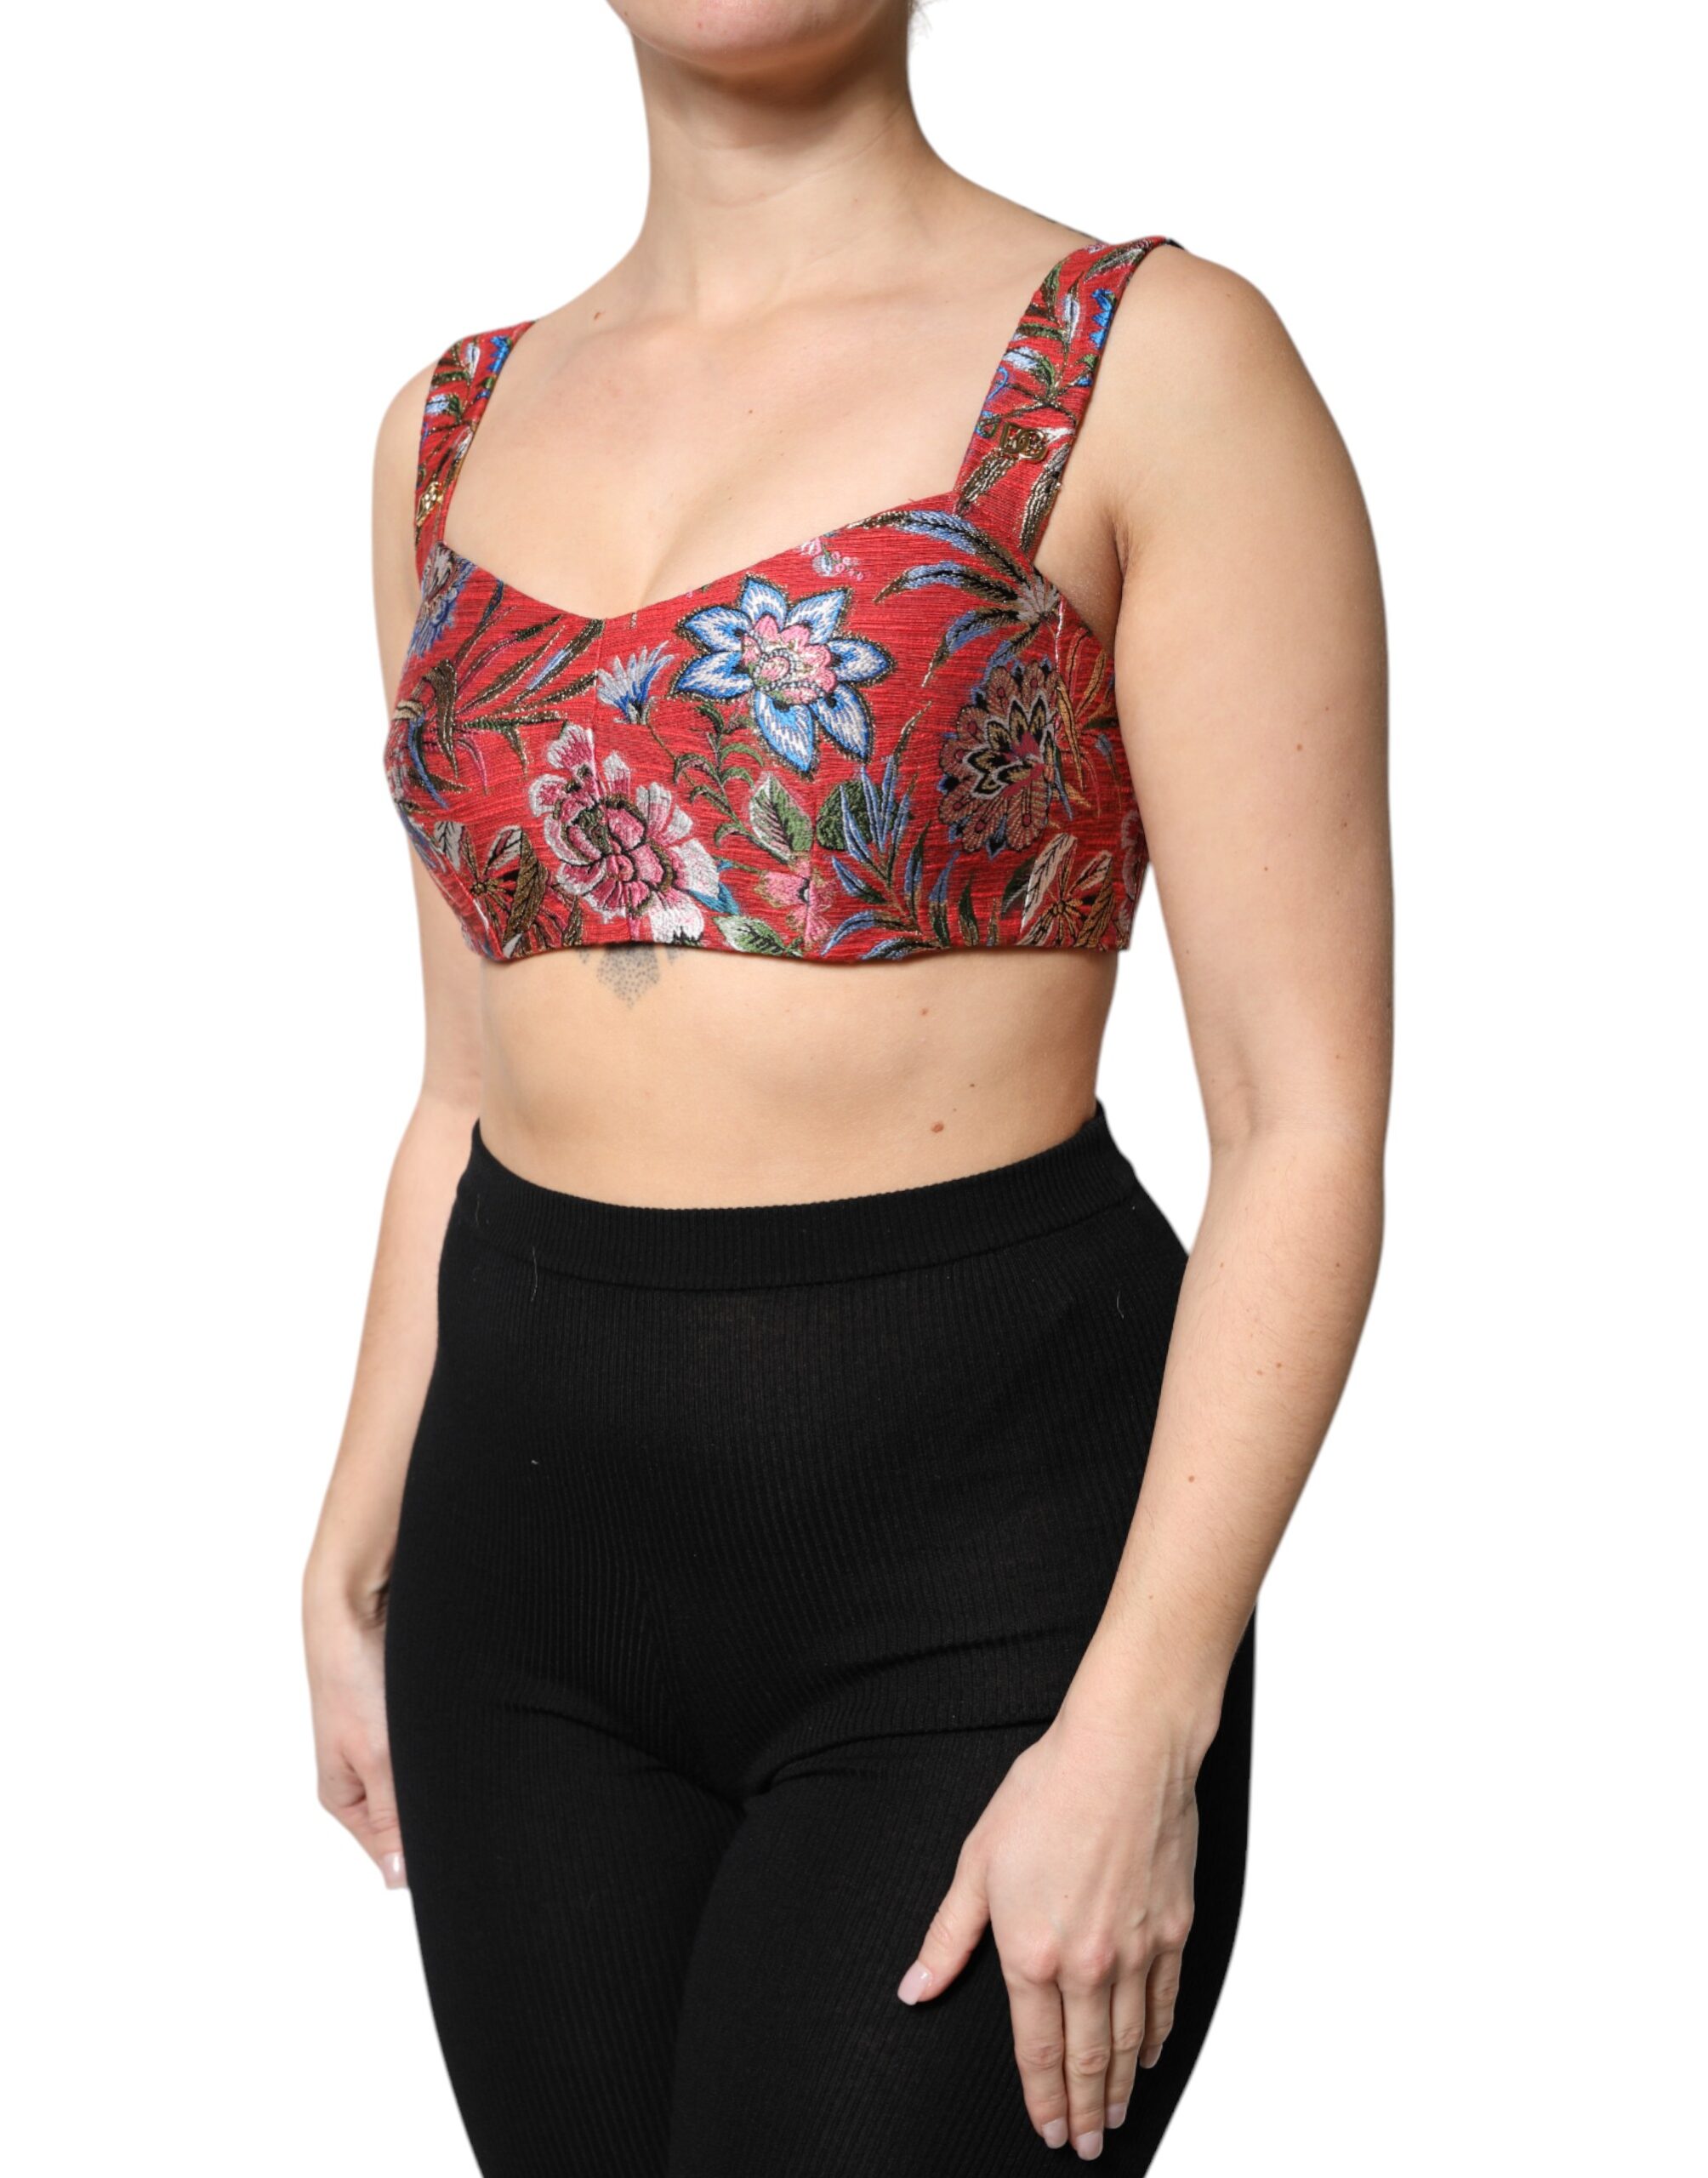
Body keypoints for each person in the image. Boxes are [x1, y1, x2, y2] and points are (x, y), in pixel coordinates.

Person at [302, 1, 1391, 2169]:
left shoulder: (1152, 364)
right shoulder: (444, 427)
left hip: (978, 1567)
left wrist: (1144, 1706)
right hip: (518, 1576)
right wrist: (351, 1537)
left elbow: (1302, 1121)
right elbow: (461, 1082)